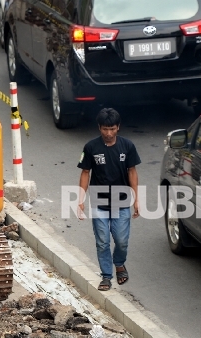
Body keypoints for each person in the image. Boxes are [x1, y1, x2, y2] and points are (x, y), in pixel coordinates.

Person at [76, 108, 141, 291]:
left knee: (121, 240)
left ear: (118, 127)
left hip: (121, 202)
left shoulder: (127, 146)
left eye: (112, 129)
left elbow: (132, 172)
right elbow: (85, 173)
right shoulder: (91, 147)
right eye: (105, 129)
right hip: (99, 202)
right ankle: (106, 276)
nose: (109, 133)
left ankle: (119, 263)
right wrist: (80, 199)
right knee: (102, 241)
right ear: (99, 128)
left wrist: (136, 199)